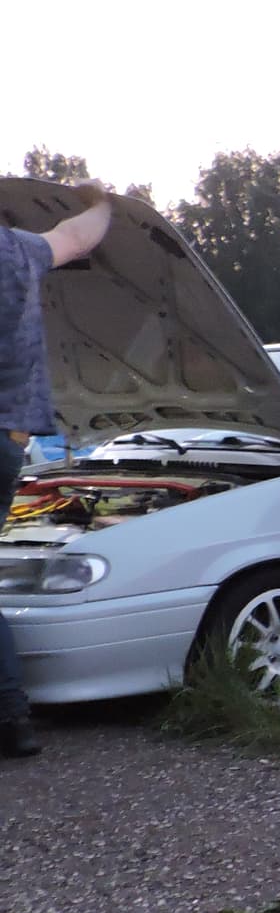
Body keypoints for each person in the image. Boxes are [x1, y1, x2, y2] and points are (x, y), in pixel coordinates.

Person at [1, 180, 113, 758]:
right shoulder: (18, 249)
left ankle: (12, 716)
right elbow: (73, 238)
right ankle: (12, 719)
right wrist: (104, 205)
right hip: (9, 439)